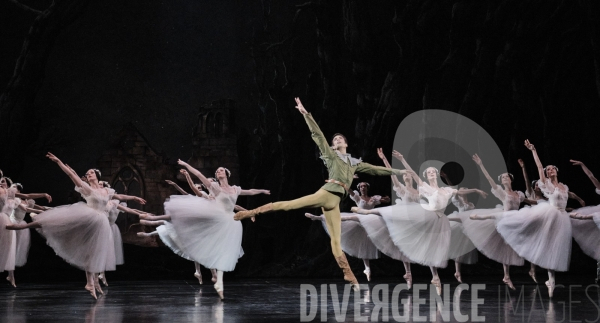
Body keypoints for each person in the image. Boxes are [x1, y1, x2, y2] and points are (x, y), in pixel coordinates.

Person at [234, 98, 409, 290]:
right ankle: (249, 213)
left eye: (340, 138)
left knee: (336, 239)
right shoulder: (331, 155)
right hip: (326, 193)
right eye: (335, 140)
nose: (337, 140)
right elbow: (317, 135)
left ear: (346, 143)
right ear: (333, 146)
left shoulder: (355, 163)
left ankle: (348, 274)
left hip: (334, 203)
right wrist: (305, 113)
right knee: (288, 204)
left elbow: (376, 170)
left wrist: (399, 172)